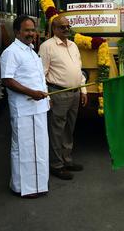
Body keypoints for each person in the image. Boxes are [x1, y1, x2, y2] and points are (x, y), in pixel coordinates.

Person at [0, 16, 50, 198]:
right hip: (24, 109)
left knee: (40, 147)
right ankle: (22, 187)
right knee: (24, 148)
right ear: (17, 32)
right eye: (27, 30)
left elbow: (37, 78)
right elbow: (7, 80)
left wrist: (43, 96)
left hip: (39, 108)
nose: (31, 34)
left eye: (33, 30)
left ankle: (38, 185)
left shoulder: (30, 50)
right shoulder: (11, 52)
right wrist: (32, 93)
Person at [39, 15, 88, 180]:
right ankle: (56, 165)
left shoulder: (73, 45)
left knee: (69, 129)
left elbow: (79, 70)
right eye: (62, 27)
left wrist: (83, 91)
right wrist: (47, 96)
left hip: (75, 93)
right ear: (54, 28)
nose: (66, 29)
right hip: (58, 93)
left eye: (68, 26)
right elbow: (41, 74)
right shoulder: (47, 47)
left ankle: (67, 160)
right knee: (56, 131)